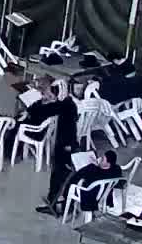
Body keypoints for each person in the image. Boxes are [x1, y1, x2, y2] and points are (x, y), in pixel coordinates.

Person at [24, 79, 81, 211]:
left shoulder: (63, 106)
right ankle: (66, 203)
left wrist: (34, 107)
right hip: (70, 143)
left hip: (65, 144)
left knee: (58, 175)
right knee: (65, 175)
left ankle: (53, 204)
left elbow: (44, 110)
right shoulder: (70, 103)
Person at [42, 149, 122, 218]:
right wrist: (98, 166)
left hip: (87, 194)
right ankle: (60, 201)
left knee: (64, 178)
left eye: (103, 159)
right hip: (103, 195)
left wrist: (93, 166)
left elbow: (76, 178)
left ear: (108, 164)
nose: (100, 159)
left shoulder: (92, 169)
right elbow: (119, 182)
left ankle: (58, 202)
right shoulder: (116, 169)